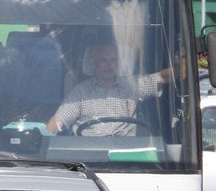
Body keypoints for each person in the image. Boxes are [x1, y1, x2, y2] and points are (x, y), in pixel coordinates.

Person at [45, 42, 177, 137]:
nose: (110, 66)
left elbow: (164, 77)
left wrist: (195, 60)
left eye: (114, 60)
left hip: (127, 155)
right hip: (89, 155)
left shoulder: (132, 85)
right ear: (93, 62)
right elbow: (58, 120)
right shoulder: (80, 92)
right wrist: (45, 140)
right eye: (104, 60)